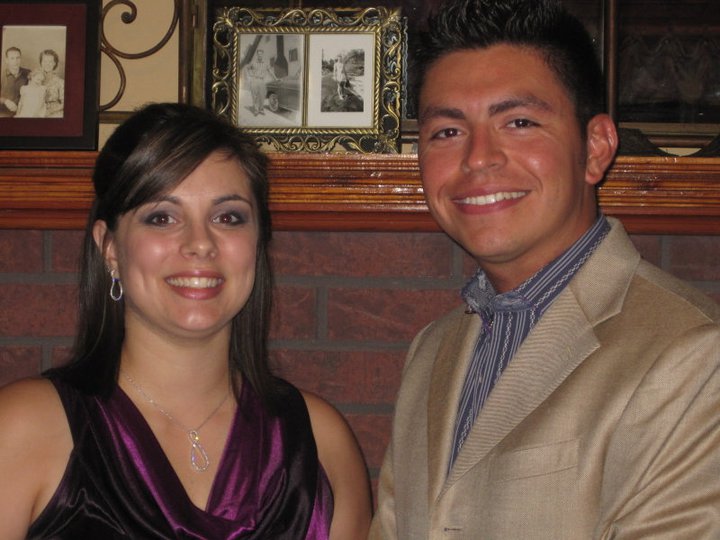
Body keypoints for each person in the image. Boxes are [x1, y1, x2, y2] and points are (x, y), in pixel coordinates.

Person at [370, 0, 720, 538]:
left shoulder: (693, 355)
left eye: (519, 122)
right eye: (447, 131)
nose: (478, 157)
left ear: (595, 148)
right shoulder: (432, 350)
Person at [0, 103, 372, 539]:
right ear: (109, 248)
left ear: (258, 242)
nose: (200, 243)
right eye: (161, 217)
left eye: (228, 217)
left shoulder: (320, 442)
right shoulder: (23, 428)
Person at [245, 48, 275, 116]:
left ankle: (261, 109)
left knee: (262, 96)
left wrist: (275, 78)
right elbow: (247, 68)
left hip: (262, 81)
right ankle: (256, 110)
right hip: (254, 80)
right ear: (257, 55)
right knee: (255, 96)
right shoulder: (253, 62)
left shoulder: (265, 63)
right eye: (258, 54)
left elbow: (270, 71)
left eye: (261, 54)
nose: (260, 55)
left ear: (262, 55)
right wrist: (249, 77)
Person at [0, 46, 29, 116]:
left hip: (23, 113)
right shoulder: (1, 75)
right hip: (3, 113)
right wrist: (5, 101)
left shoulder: (28, 73)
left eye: (18, 58)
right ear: (7, 60)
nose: (15, 61)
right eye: (12, 58)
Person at [39, 49, 64, 117]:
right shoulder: (35, 80)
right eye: (45, 61)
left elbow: (65, 103)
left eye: (50, 61)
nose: (47, 64)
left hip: (54, 113)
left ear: (54, 63)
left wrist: (50, 111)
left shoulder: (60, 82)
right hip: (38, 111)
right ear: (41, 63)